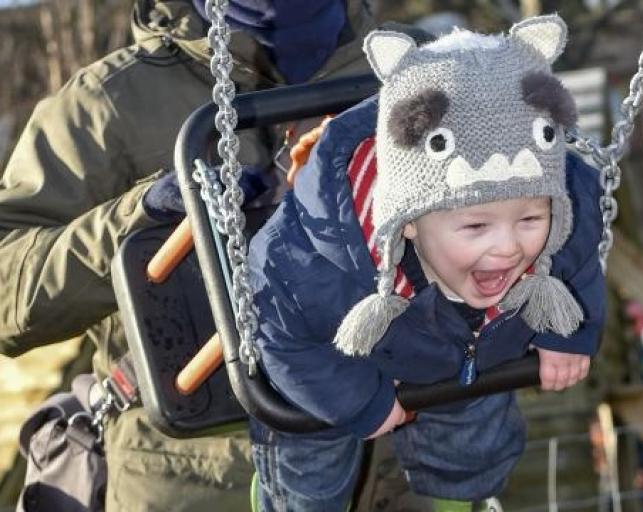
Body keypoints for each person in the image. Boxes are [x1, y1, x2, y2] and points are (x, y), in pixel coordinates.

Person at [0, 1, 377, 510]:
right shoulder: (110, 100)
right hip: (192, 476)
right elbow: (8, 295)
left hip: (402, 458)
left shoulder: (416, 69)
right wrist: (139, 217)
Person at [247, 14, 607, 512]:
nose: (508, 248)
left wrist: (567, 333)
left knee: (476, 452)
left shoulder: (564, 212)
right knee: (312, 479)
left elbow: (579, 264)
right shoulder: (314, 258)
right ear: (409, 221)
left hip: (458, 346)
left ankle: (461, 498)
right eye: (477, 227)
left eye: (529, 218)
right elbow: (281, 335)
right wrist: (361, 403)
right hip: (330, 355)